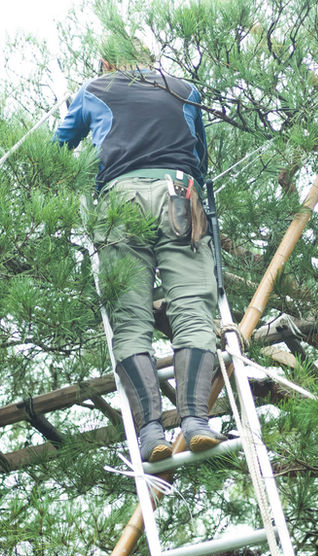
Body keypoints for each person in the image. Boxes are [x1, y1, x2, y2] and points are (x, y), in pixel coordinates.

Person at [54, 36, 227, 463]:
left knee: (131, 324)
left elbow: (55, 150)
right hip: (180, 199)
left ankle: (151, 433)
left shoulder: (93, 90)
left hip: (120, 202)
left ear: (106, 62)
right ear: (149, 60)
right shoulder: (185, 90)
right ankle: (196, 422)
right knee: (193, 313)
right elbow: (200, 161)